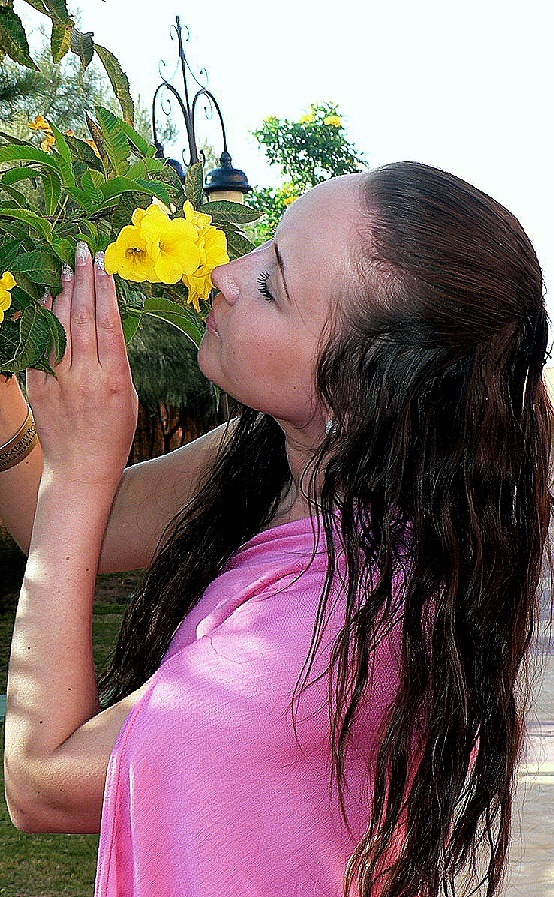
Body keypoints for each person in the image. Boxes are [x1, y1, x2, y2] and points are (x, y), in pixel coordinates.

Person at [1, 162, 551, 897]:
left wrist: (78, 468)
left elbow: (43, 781)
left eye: (271, 285)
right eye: (266, 244)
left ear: (358, 388)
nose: (226, 274)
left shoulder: (313, 650)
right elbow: (56, 532)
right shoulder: (280, 459)